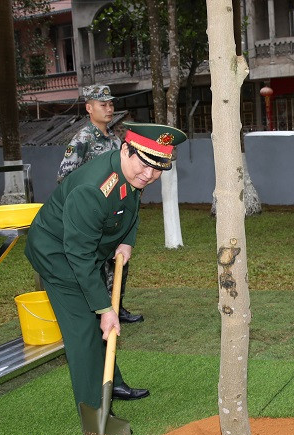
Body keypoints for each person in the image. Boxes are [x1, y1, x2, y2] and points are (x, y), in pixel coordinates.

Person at [25, 122, 186, 411]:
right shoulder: (93, 189)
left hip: (85, 250)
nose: (149, 175)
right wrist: (104, 308)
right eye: (144, 164)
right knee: (84, 331)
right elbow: (79, 257)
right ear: (126, 149)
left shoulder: (131, 174)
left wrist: (127, 241)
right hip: (59, 256)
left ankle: (113, 382)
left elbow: (132, 205)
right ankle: (96, 409)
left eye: (157, 167)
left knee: (99, 323)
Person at [58, 84, 143, 324]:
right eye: (102, 104)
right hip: (92, 214)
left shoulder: (116, 140)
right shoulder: (82, 140)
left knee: (118, 262)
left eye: (111, 104)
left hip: (116, 212)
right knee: (94, 265)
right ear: (89, 108)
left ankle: (117, 306)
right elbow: (65, 178)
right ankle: (99, 310)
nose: (109, 109)